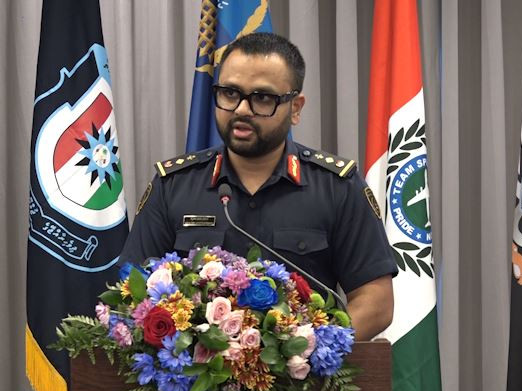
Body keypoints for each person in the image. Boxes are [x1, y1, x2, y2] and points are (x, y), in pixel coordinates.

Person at [119, 32, 395, 341]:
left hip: (304, 369)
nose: (241, 109)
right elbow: (132, 291)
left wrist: (309, 350)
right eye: (230, 93)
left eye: (262, 98)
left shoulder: (337, 187)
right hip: (197, 370)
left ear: (295, 108)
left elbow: (376, 302)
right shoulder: (173, 186)